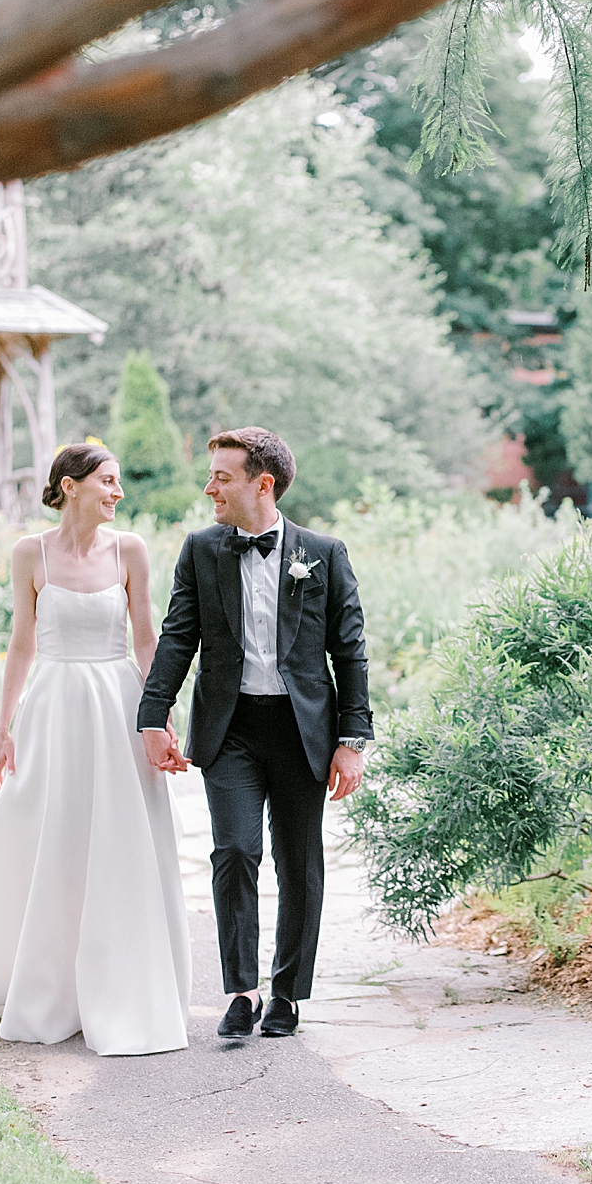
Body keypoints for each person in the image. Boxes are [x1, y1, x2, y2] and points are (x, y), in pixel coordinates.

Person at [0, 444, 192, 1055]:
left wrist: (160, 716)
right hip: (51, 707)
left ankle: (120, 982)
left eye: (119, 481)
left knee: (118, 839)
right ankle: (44, 985)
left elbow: (147, 639)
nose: (117, 492)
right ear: (69, 486)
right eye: (107, 480)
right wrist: (4, 726)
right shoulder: (30, 553)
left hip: (117, 703)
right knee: (46, 835)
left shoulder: (131, 550)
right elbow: (21, 644)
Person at [136, 427, 374, 1040]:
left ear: (261, 484)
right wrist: (151, 715)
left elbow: (350, 653)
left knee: (299, 863)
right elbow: (177, 638)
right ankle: (241, 989)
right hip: (231, 729)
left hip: (302, 733)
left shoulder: (324, 553)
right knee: (235, 852)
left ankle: (287, 994)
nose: (209, 486)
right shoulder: (201, 550)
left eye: (222, 475)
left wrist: (352, 740)